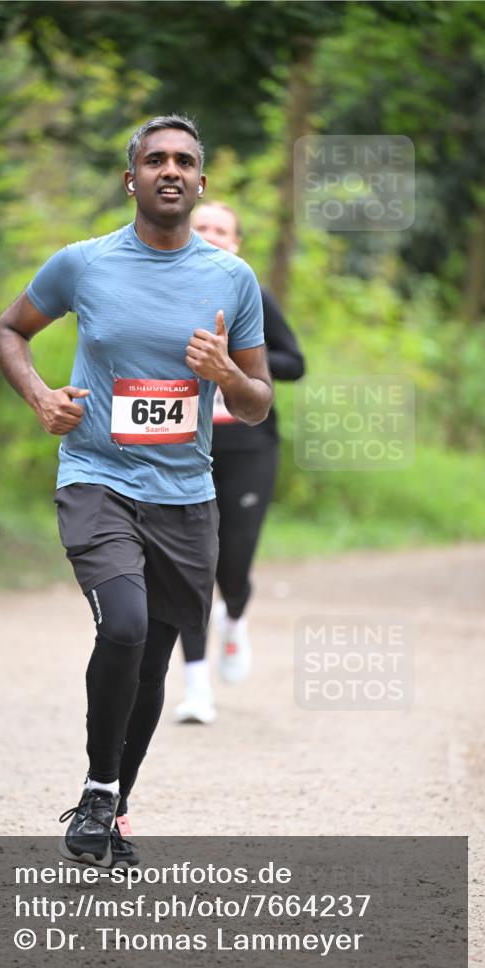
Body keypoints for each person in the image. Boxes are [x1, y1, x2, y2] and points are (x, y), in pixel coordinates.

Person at [0, 115, 272, 867]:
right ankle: (96, 793)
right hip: (98, 477)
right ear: (132, 179)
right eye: (155, 160)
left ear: (200, 182)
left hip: (186, 494)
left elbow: (257, 402)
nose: (169, 170)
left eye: (184, 160)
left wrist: (224, 375)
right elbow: (9, 331)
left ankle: (108, 798)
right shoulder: (83, 264)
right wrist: (40, 397)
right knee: (123, 625)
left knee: (152, 662)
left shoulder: (230, 279)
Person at [175, 202, 305, 725]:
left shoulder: (252, 294)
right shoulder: (169, 292)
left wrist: (239, 361)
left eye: (220, 230)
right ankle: (196, 688)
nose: (208, 235)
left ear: (236, 242)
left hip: (249, 448)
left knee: (232, 564)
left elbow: (296, 363)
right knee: (189, 568)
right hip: (184, 446)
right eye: (200, 226)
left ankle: (234, 617)